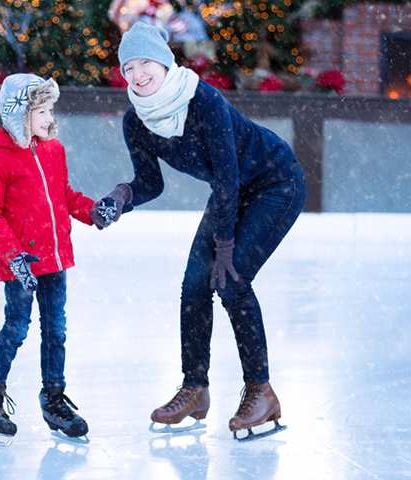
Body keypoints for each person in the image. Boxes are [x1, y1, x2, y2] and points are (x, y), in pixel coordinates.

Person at [97, 22, 306, 439]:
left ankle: (261, 392)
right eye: (129, 67)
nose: (138, 74)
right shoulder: (137, 121)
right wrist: (121, 196)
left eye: (145, 63)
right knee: (194, 284)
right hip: (232, 192)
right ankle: (195, 388)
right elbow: (150, 183)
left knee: (231, 281)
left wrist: (226, 245)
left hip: (275, 183)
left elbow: (227, 176)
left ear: (164, 61)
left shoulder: (202, 100)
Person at [0, 73, 108, 441]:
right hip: (22, 262)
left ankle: (54, 398)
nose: (49, 118)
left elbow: (63, 195)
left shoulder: (53, 150)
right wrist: (14, 256)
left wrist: (93, 211)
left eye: (50, 109)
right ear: (17, 115)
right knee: (16, 328)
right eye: (41, 111)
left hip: (55, 259)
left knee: (55, 331)